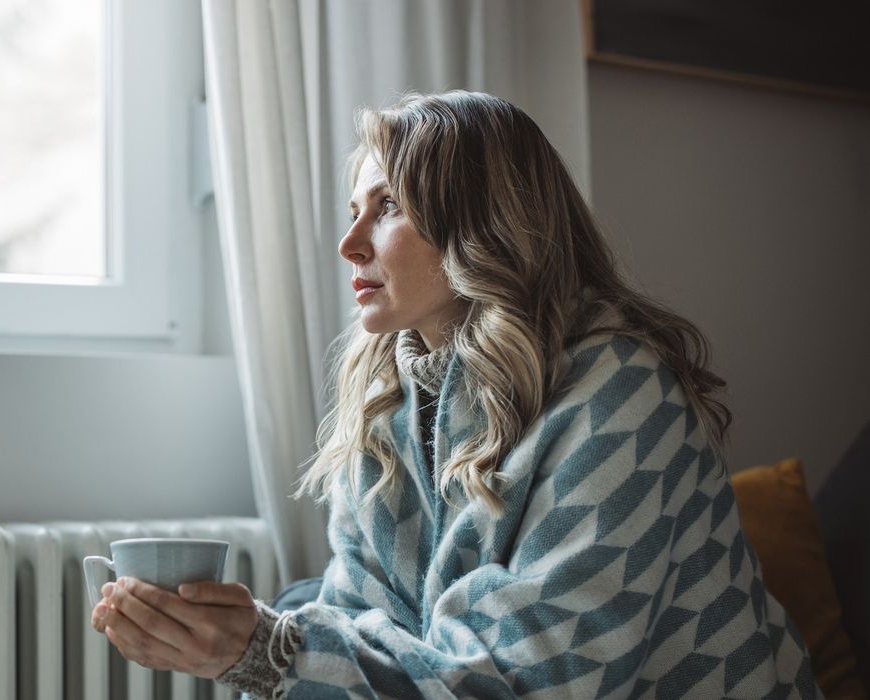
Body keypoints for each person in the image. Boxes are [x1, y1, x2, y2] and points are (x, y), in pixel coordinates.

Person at [90, 90, 820, 699]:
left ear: (484, 224)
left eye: (387, 207)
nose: (349, 244)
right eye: (353, 210)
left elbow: (539, 680)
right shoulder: (386, 403)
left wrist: (276, 651)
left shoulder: (621, 395)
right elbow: (360, 620)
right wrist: (255, 647)